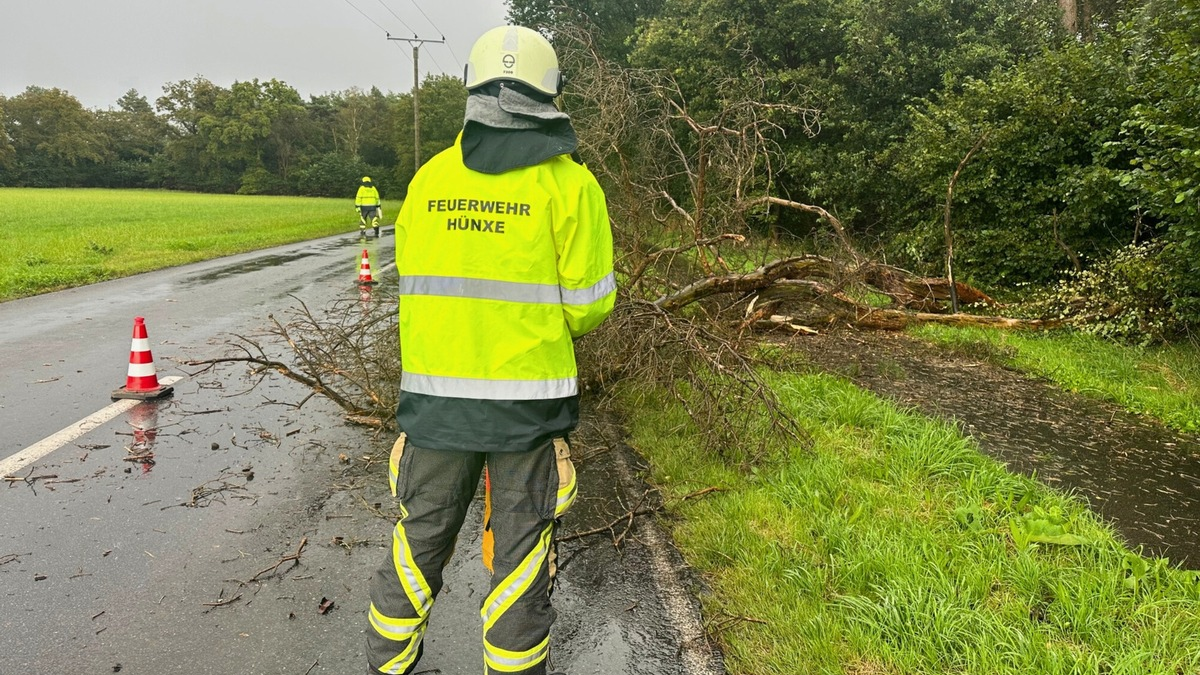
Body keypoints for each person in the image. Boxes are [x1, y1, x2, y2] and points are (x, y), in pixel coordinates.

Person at [365, 25, 616, 675]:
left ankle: (386, 664)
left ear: (474, 89)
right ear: (551, 93)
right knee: (521, 554)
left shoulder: (428, 181)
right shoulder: (571, 186)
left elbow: (416, 286)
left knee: (417, 539)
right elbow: (590, 305)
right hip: (526, 411)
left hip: (435, 406)